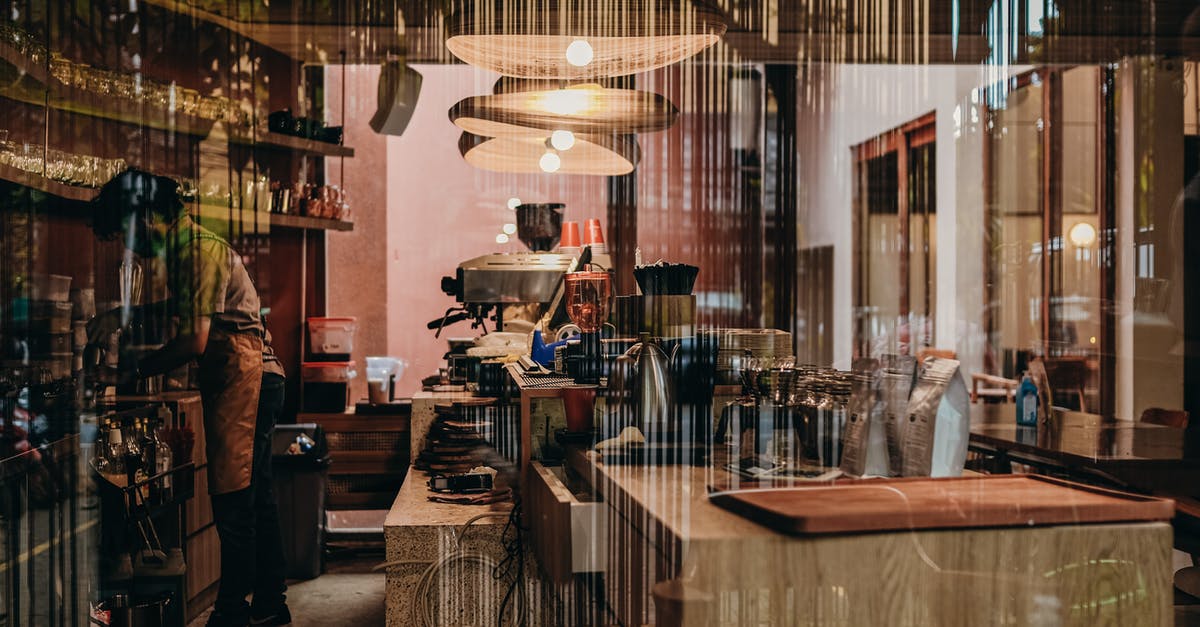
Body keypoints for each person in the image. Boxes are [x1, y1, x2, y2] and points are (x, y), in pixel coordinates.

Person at [88, 169, 291, 627]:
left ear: (150, 216)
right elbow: (193, 312)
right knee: (254, 499)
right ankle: (270, 606)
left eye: (127, 231)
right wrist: (128, 314)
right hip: (244, 379)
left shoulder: (197, 252)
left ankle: (233, 610)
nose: (129, 245)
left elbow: (195, 340)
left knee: (235, 500)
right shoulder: (187, 249)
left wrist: (129, 371)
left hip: (249, 379)